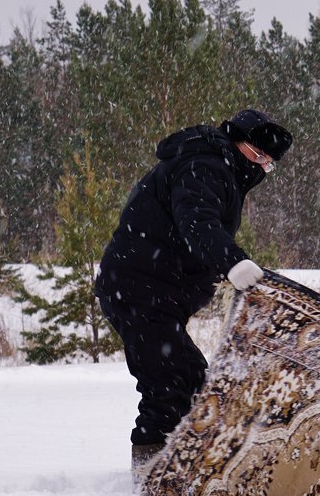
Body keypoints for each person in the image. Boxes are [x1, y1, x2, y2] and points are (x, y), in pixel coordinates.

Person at [94, 108, 293, 475]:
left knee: (194, 381)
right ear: (239, 142)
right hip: (138, 287)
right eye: (260, 155)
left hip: (155, 292)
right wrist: (233, 262)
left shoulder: (220, 167)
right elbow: (196, 222)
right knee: (166, 386)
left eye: (269, 162)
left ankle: (188, 468)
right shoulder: (205, 165)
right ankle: (150, 478)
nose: (263, 167)